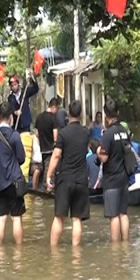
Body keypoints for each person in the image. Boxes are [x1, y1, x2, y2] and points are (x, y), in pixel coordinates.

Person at [45, 100, 91, 246]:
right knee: (76, 218)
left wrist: (48, 175)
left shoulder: (63, 133)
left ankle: (54, 252)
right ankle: (76, 254)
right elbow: (87, 150)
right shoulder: (85, 133)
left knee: (59, 217)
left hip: (65, 179)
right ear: (81, 114)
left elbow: (56, 155)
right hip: (81, 180)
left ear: (69, 114)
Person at [0, 101, 26, 245]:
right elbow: (21, 158)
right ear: (11, 117)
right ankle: (18, 252)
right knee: (16, 217)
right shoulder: (15, 136)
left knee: (1, 217)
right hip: (13, 183)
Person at [98, 99, 131, 242]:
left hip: (111, 179)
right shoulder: (124, 132)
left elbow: (104, 158)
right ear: (117, 113)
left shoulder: (108, 134)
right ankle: (126, 243)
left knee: (114, 215)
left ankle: (116, 248)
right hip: (124, 177)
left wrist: (98, 150)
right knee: (123, 213)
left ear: (106, 115)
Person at [34, 97, 61, 185]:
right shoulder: (53, 118)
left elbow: (37, 134)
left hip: (42, 150)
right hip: (51, 150)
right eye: (57, 109)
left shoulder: (39, 117)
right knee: (50, 174)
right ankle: (49, 190)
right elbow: (55, 136)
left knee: (43, 171)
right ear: (54, 107)